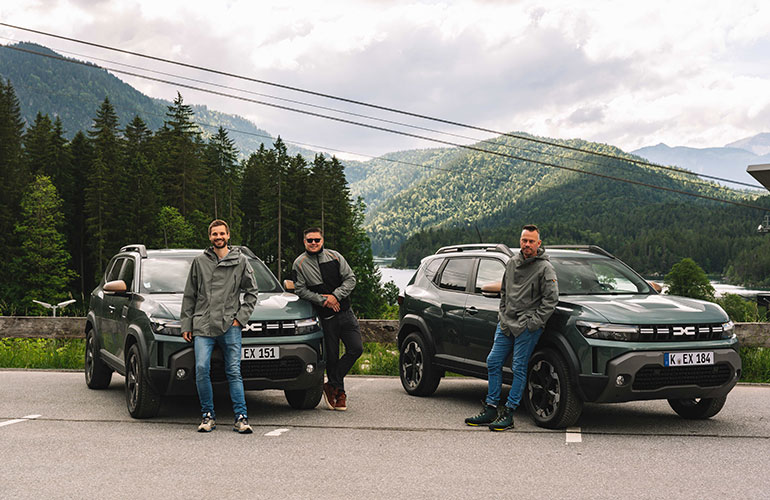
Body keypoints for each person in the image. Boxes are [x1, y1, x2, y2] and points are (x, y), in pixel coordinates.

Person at [465, 224, 559, 431]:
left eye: (531, 241)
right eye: (524, 240)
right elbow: (504, 292)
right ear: (520, 241)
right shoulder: (512, 263)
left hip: (527, 326)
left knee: (518, 367)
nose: (527, 244)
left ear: (538, 243)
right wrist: (503, 314)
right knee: (493, 361)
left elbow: (551, 299)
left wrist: (533, 323)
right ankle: (491, 408)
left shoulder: (545, 268)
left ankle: (508, 412)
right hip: (506, 323)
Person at [181, 219, 258, 433]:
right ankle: (208, 416)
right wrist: (186, 324)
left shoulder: (240, 260)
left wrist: (240, 319)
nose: (218, 237)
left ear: (228, 235)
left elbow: (252, 292)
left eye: (222, 233)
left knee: (233, 371)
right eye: (215, 234)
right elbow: (189, 295)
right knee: (201, 368)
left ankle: (241, 418)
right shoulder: (199, 262)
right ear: (210, 237)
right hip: (203, 325)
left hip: (230, 325)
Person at [292, 227, 362, 411]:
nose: (313, 243)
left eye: (317, 240)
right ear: (304, 242)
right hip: (326, 317)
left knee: (356, 348)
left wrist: (335, 296)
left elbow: (351, 279)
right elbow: (300, 290)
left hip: (345, 313)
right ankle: (339, 393)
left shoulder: (335, 257)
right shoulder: (300, 263)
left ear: (322, 240)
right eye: (310, 240)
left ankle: (331, 383)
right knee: (332, 356)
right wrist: (323, 300)